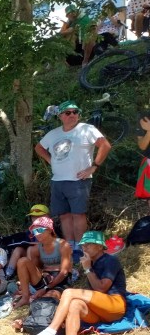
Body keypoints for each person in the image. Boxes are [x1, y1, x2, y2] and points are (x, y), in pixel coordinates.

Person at [24, 231, 127, 335]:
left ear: (100, 247)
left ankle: (50, 332)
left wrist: (88, 269)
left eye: (88, 244)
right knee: (75, 304)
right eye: (83, 245)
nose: (84, 248)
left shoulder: (110, 260)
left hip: (115, 305)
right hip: (100, 310)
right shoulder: (91, 262)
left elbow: (101, 288)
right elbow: (94, 293)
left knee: (68, 292)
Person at [34, 100, 111, 248]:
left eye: (76, 112)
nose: (73, 115)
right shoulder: (53, 133)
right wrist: (51, 160)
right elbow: (39, 148)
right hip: (57, 180)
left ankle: (81, 247)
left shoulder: (87, 129)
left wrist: (94, 166)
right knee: (63, 215)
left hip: (78, 180)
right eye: (68, 112)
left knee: (78, 214)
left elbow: (105, 145)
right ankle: (70, 246)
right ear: (60, 116)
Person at [12, 216, 73, 308]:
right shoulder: (35, 249)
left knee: (46, 301)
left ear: (49, 230)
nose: (37, 234)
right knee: (22, 261)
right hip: (46, 278)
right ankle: (25, 297)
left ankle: (39, 295)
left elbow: (64, 272)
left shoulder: (63, 245)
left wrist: (46, 288)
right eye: (35, 232)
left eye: (40, 230)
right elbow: (35, 269)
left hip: (61, 280)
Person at [2, 204, 51, 279]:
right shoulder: (31, 230)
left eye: (38, 216)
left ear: (46, 216)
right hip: (32, 255)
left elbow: (53, 243)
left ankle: (31, 275)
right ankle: (8, 275)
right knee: (18, 249)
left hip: (46, 256)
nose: (35, 219)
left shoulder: (50, 227)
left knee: (30, 249)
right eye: (33, 216)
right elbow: (29, 240)